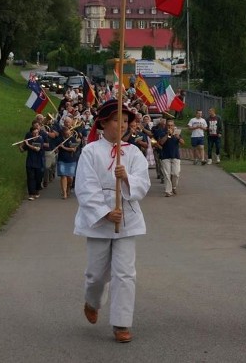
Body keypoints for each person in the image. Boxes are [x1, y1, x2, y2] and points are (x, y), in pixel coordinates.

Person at [74, 99, 150, 343]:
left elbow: (143, 182)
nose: (123, 124)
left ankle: (121, 322)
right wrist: (105, 212)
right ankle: (93, 301)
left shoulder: (133, 151)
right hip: (99, 221)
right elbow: (85, 186)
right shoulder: (91, 151)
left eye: (126, 121)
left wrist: (126, 177)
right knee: (97, 274)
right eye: (118, 120)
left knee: (125, 273)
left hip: (127, 219)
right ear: (104, 122)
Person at [51, 116, 82, 199]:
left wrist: (63, 147)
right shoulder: (60, 139)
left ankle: (68, 188)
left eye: (69, 133)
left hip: (71, 159)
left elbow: (73, 149)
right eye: (66, 134)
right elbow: (54, 146)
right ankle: (64, 192)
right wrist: (56, 149)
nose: (68, 135)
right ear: (64, 134)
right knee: (63, 176)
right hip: (62, 159)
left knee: (70, 178)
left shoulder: (73, 139)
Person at [157, 118, 184, 197]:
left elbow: (183, 143)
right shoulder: (162, 133)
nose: (170, 127)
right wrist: (167, 135)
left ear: (174, 126)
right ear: (166, 126)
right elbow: (161, 142)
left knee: (176, 173)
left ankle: (174, 187)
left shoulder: (177, 133)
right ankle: (168, 191)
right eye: (168, 125)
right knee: (167, 174)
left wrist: (178, 137)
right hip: (165, 156)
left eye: (171, 125)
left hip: (175, 156)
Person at [21, 122, 45, 200]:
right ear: (31, 133)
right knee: (30, 178)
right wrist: (20, 146)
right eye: (34, 133)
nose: (35, 135)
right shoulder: (29, 140)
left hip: (38, 162)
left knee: (38, 178)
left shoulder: (40, 139)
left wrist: (28, 145)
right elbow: (22, 150)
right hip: (30, 162)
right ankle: (31, 194)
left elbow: (37, 149)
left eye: (37, 133)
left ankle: (37, 190)